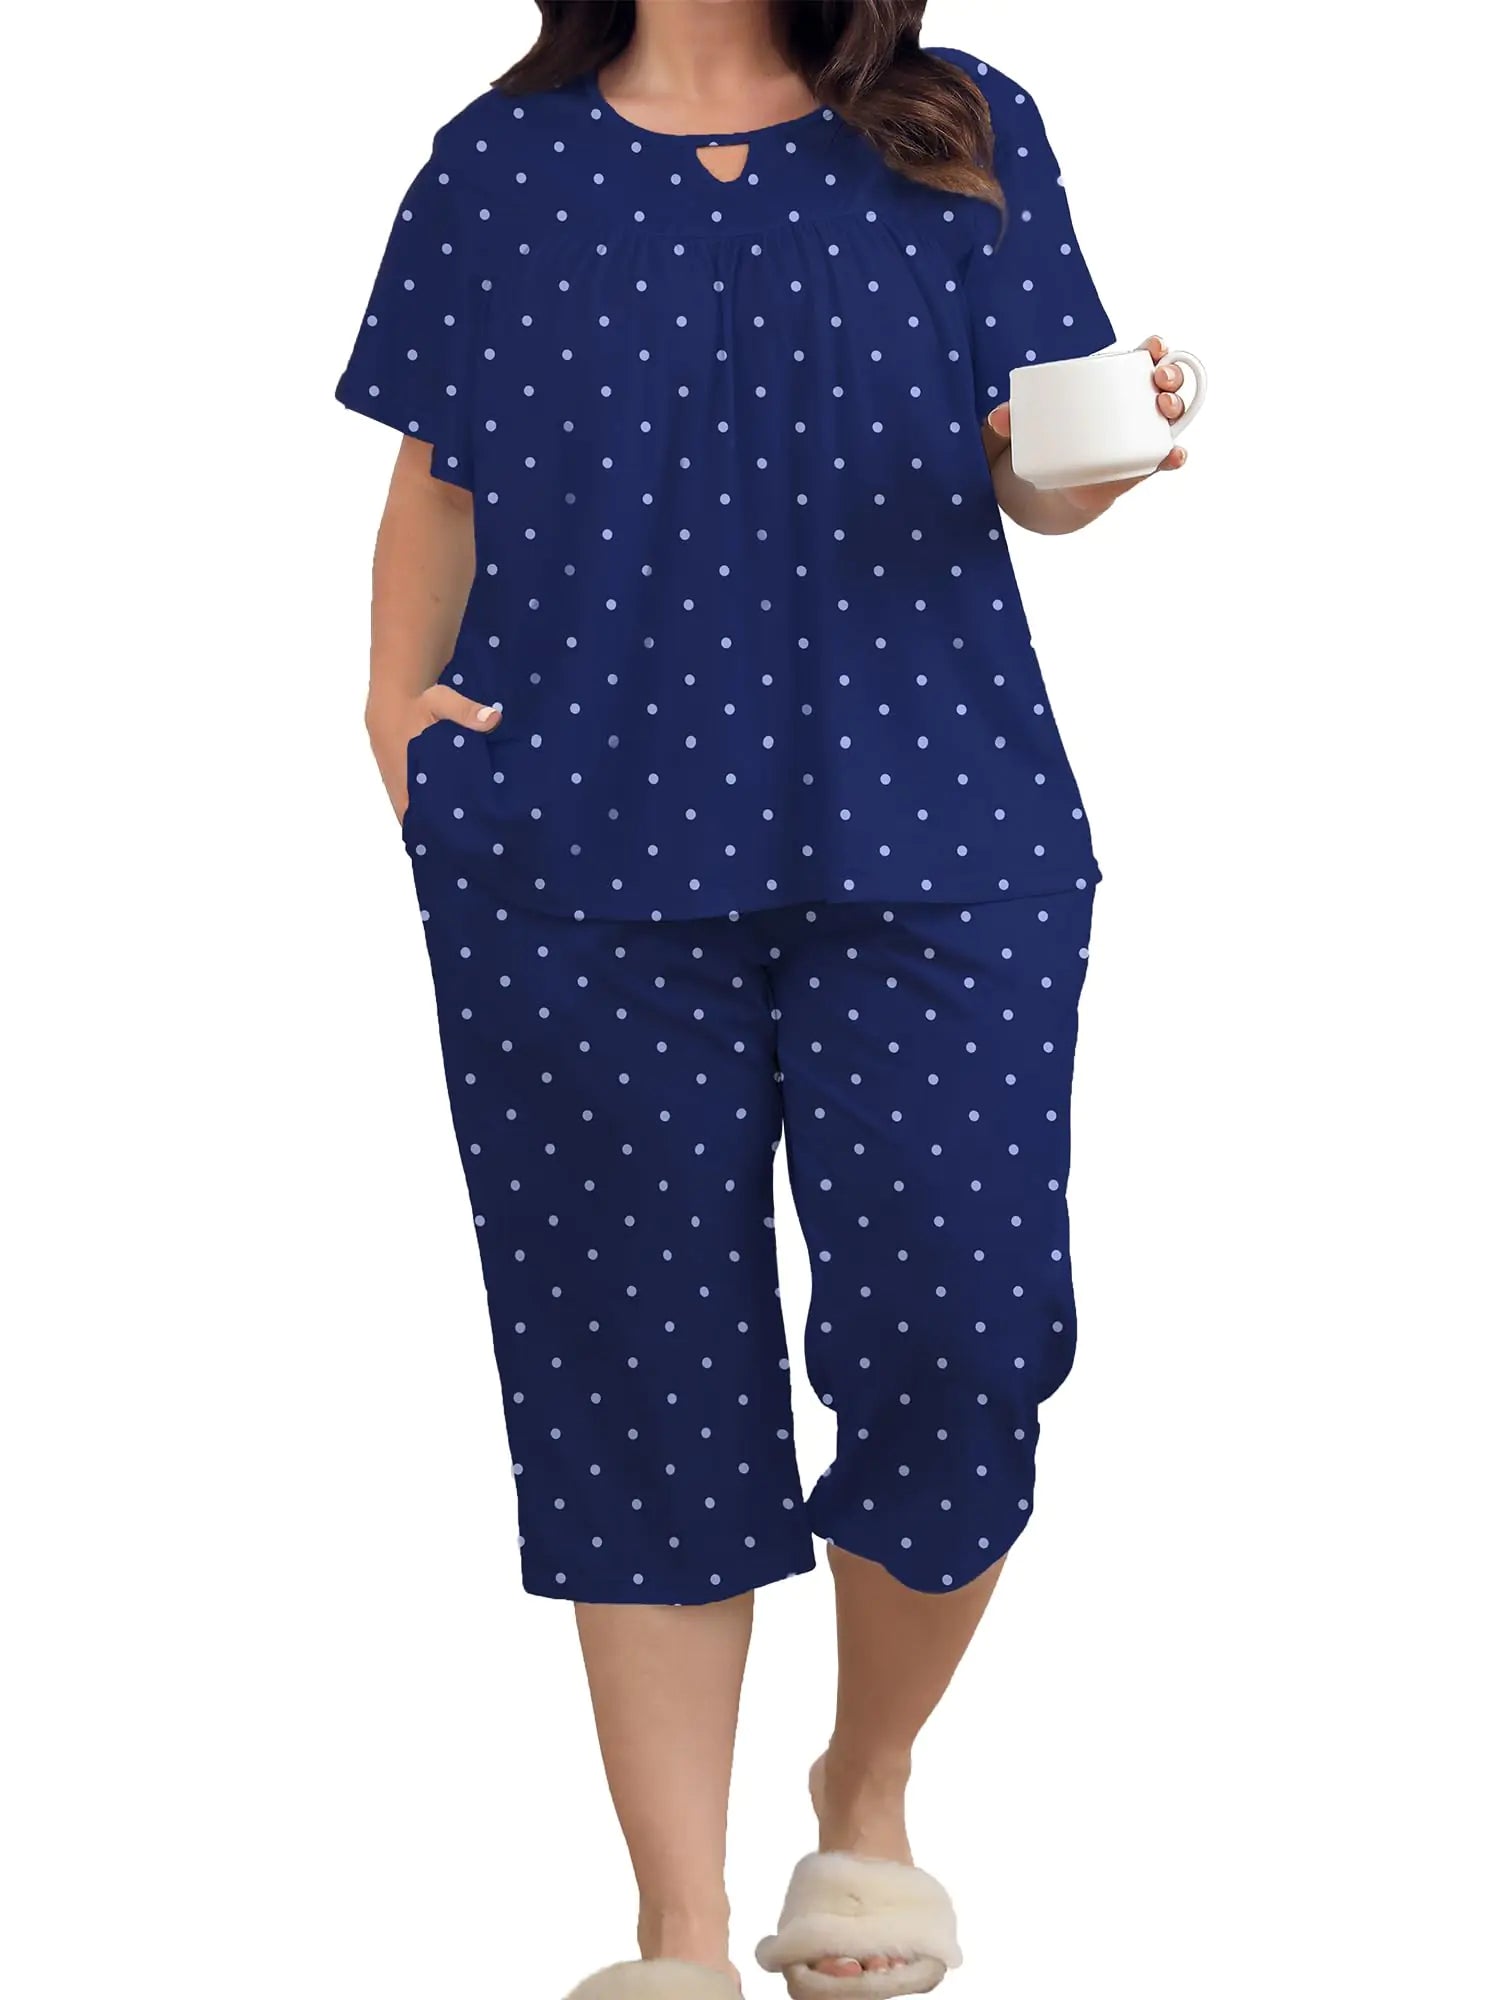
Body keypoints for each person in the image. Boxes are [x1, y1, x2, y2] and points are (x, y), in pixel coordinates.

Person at [334, 4, 1189, 1994]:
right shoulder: (497, 168)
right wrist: (394, 722)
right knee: (630, 1380)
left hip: (941, 827)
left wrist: (1095, 456)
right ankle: (681, 1935)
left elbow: (1035, 468)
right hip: (574, 852)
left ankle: (865, 1797)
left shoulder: (959, 126)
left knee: (965, 1338)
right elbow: (440, 476)